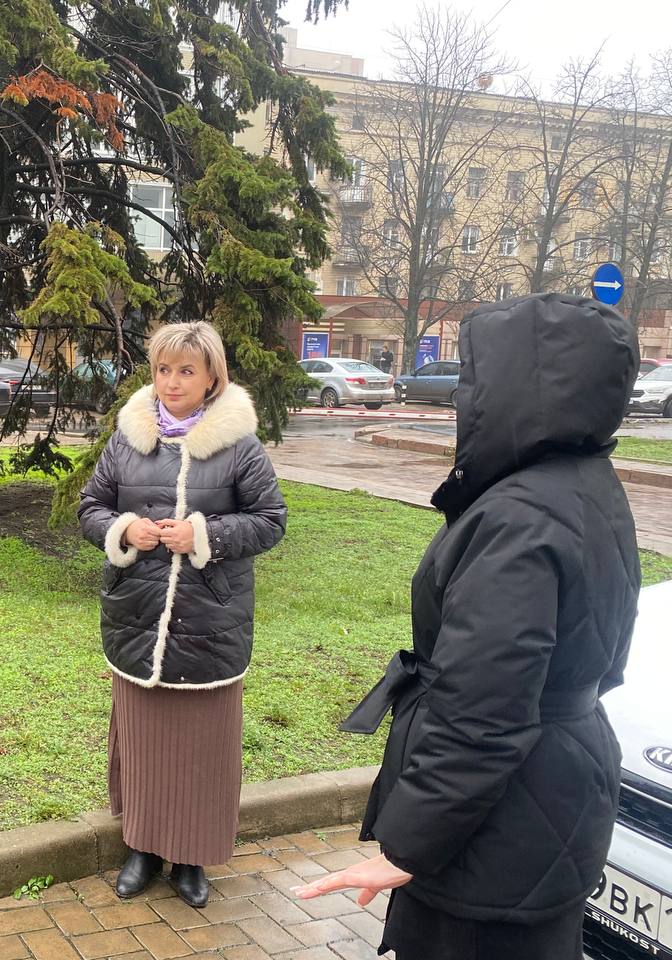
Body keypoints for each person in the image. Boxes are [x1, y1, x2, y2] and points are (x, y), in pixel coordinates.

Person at [295, 294, 642, 960]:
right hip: (558, 790)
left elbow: (482, 712)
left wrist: (409, 845)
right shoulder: (587, 485)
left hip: (497, 829)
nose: (464, 397)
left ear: (523, 387)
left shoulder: (521, 516)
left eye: (477, 378)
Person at [79, 321, 287, 908]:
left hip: (208, 621)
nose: (172, 382)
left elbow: (271, 521)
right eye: (164, 370)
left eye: (186, 371)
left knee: (202, 748)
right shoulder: (129, 438)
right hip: (138, 614)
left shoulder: (238, 445)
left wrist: (201, 533)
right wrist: (124, 529)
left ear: (211, 376)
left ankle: (193, 856)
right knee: (145, 744)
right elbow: (91, 506)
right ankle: (142, 846)